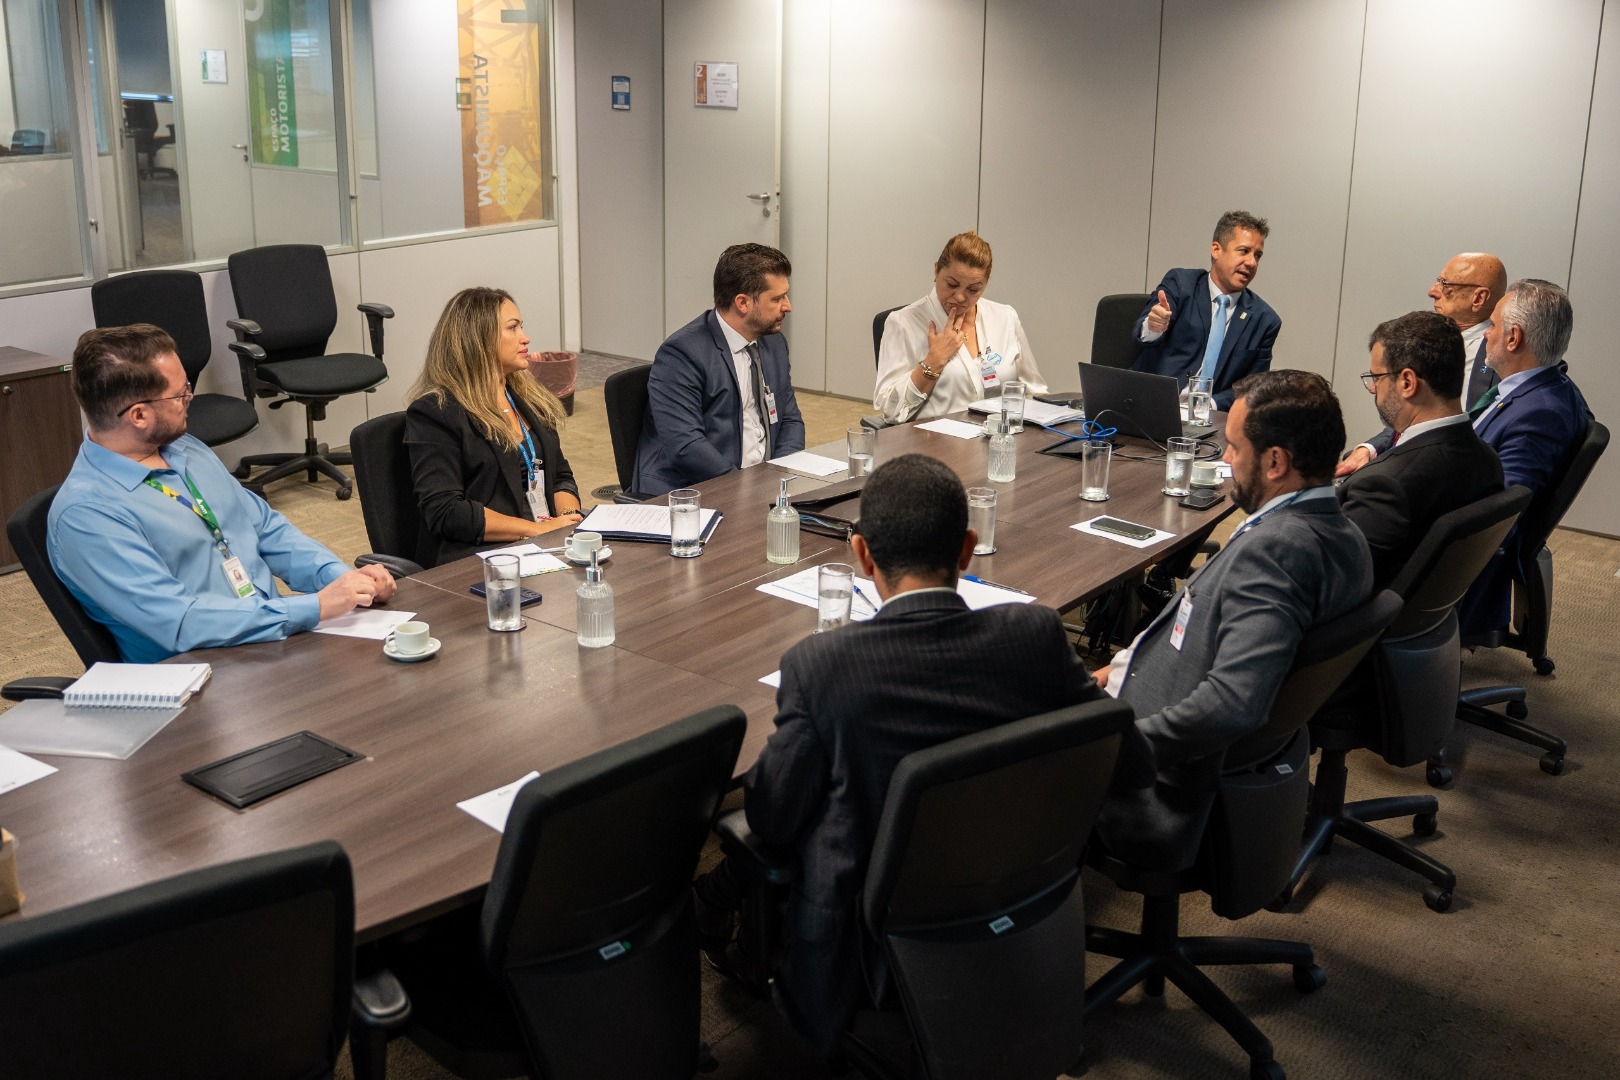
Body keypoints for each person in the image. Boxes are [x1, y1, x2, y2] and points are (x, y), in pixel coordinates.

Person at [695, 454, 1120, 1055]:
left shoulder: (823, 667)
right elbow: (1119, 753)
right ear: (969, 548)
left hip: (869, 939)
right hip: (1022, 893)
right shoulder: (1035, 636)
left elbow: (772, 817)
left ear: (862, 555)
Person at [1096, 370, 1371, 873]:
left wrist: (1118, 751)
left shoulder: (1277, 551)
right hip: (1182, 722)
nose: (1224, 460)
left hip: (1159, 788)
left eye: (1232, 448)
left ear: (1274, 462)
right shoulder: (1343, 532)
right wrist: (1119, 665)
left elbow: (1233, 703)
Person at [47, 324, 396, 664]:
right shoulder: (87, 515)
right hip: (201, 678)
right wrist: (315, 607)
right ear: (139, 415)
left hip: (271, 642)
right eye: (180, 393)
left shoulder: (185, 449)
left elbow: (266, 529)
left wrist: (341, 579)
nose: (190, 398)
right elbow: (183, 623)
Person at [404, 287, 582, 567]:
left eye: (521, 326)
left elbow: (559, 475)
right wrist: (535, 530)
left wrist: (568, 521)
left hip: (544, 545)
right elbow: (447, 511)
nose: (525, 338)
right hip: (478, 558)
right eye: (513, 328)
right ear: (478, 340)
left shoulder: (529, 399)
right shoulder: (436, 412)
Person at [1458, 278, 1589, 638]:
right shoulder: (1545, 387)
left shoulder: (1539, 414)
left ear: (1513, 338)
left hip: (1460, 563)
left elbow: (1498, 515)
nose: (1486, 335)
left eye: (1494, 326)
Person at [1338, 311, 1504, 588]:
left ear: (1407, 382)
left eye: (1376, 377)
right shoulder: (1488, 460)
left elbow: (1333, 581)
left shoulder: (1385, 486)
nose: (1372, 389)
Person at [633, 244, 805, 495]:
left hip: (761, 487)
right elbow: (687, 447)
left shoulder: (773, 343)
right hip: (695, 491)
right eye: (777, 298)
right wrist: (745, 490)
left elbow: (790, 419)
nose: (787, 306)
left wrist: (778, 478)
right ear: (743, 303)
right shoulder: (682, 355)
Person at [1338, 253, 1508, 476]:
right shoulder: (1428, 339)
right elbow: (1419, 412)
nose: (1432, 291)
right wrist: (1370, 448)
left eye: (1445, 284)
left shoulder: (1497, 358)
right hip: (1401, 459)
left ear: (1478, 299)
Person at [873, 231, 1048, 423]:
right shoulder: (903, 323)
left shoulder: (1005, 316)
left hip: (998, 438)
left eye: (973, 289)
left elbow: (1034, 392)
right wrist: (934, 361)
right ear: (936, 271)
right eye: (952, 284)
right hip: (932, 445)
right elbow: (890, 409)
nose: (960, 297)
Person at [1133, 210, 1280, 411]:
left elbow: (1254, 388)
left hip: (1212, 420)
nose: (1252, 262)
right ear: (1216, 250)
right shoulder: (1181, 284)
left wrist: (1206, 406)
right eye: (1244, 251)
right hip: (1152, 407)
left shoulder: (1265, 320)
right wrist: (1154, 326)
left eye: (1258, 255)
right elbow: (1143, 334)